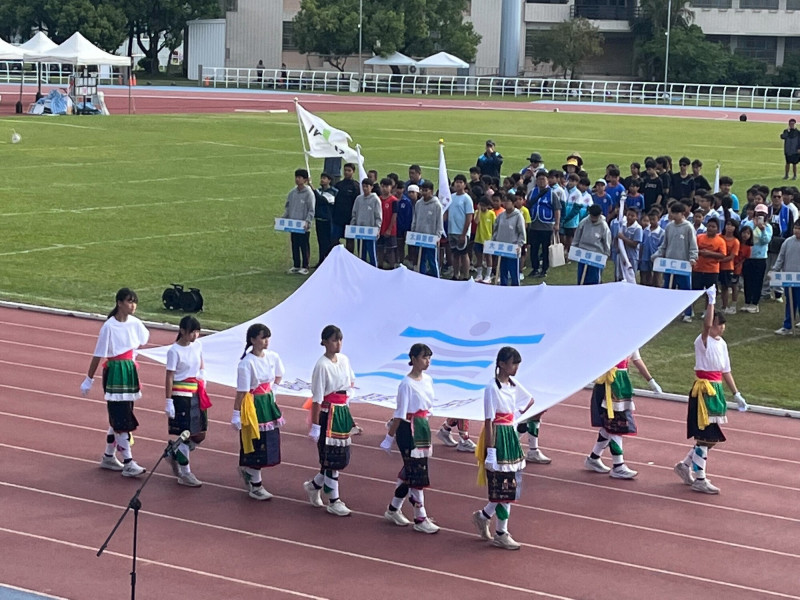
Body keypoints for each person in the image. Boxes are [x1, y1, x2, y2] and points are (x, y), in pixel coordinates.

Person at [673, 287, 747, 494]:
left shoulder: (722, 344)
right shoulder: (702, 341)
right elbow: (705, 325)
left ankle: (685, 465)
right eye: (718, 324)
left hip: (716, 391)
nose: (721, 328)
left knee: (709, 438)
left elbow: (726, 371)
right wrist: (711, 300)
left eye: (722, 324)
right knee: (706, 436)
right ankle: (700, 478)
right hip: (704, 391)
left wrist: (736, 394)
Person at [81, 288, 150, 478]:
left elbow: (142, 340)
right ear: (119, 303)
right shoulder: (109, 327)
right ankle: (128, 462)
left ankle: (109, 456)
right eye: (129, 301)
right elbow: (98, 354)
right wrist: (89, 379)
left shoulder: (136, 323)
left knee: (121, 414)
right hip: (116, 373)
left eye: (134, 302)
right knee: (121, 416)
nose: (133, 305)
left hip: (129, 371)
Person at [472, 347, 535, 551]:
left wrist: (514, 416)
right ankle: (501, 533)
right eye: (512, 363)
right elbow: (489, 420)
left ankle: (484, 516)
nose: (515, 368)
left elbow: (529, 399)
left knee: (509, 486)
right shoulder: (492, 388)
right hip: (499, 436)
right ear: (501, 364)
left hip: (509, 435)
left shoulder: (513, 385)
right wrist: (490, 452)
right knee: (503, 486)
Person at [380, 343, 440, 534]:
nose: (427, 361)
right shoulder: (406, 384)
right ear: (413, 359)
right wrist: (389, 437)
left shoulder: (428, 380)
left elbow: (429, 405)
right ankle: (420, 517)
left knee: (411, 471)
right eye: (424, 357)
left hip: (422, 427)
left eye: (429, 358)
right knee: (416, 473)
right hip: (408, 429)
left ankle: (393, 508)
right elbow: (400, 413)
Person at [304, 325, 356, 517]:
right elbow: (317, 398)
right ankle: (334, 500)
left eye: (340, 340)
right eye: (334, 340)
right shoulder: (322, 366)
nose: (338, 344)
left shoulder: (344, 360)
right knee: (331, 458)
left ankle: (314, 486)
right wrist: (316, 426)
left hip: (341, 412)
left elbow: (350, 383)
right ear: (325, 342)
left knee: (338, 457)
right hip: (328, 413)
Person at [585, 350, 661, 479]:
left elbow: (636, 359)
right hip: (609, 385)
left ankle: (594, 458)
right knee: (616, 426)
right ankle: (618, 465)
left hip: (621, 384)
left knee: (610, 426)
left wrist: (651, 381)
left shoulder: (631, 341)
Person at [230, 324, 285, 500]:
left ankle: (250, 474)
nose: (266, 341)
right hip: (254, 405)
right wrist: (236, 414)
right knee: (256, 441)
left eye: (268, 337)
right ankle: (255, 485)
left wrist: (273, 391)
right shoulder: (246, 364)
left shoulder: (273, 357)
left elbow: (279, 375)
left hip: (267, 403)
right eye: (263, 337)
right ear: (253, 340)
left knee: (268, 441)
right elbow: (242, 392)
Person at [164, 316, 209, 487]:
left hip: (196, 392)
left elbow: (201, 363)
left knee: (200, 433)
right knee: (186, 433)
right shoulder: (174, 351)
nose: (195, 335)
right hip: (181, 394)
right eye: (192, 332)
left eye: (197, 332)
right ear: (182, 331)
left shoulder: (197, 345)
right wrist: (168, 401)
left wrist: (202, 375)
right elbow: (169, 376)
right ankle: (185, 472)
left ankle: (174, 451)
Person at [652, 202, 698, 322]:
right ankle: (669, 311)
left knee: (685, 289)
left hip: (683, 265)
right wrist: (657, 255)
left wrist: (693, 258)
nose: (673, 215)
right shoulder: (669, 227)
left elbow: (693, 245)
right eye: (672, 212)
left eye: (676, 213)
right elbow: (664, 244)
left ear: (682, 214)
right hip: (669, 264)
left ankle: (688, 312)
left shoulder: (688, 227)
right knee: (668, 288)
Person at [526, 170, 560, 278]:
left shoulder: (552, 193)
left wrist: (557, 224)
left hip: (546, 226)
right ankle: (535, 268)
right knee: (534, 249)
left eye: (543, 179)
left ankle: (544, 269)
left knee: (545, 249)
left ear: (547, 180)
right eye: (539, 179)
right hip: (534, 225)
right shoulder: (532, 192)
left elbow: (557, 209)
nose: (541, 181)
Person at [282, 168, 315, 275]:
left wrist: (307, 221)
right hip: (293, 225)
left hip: (303, 225)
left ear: (305, 180)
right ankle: (296, 265)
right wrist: (283, 218)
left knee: (304, 246)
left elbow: (311, 209)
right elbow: (288, 208)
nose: (297, 179)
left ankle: (305, 266)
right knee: (295, 245)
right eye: (296, 177)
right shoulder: (292, 193)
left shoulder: (309, 193)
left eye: (300, 177)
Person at [741, 204, 772, 313]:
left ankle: (755, 303)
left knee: (757, 281)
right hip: (748, 256)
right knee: (747, 280)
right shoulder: (748, 224)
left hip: (760, 257)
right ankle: (747, 301)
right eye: (758, 213)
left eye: (762, 214)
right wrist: (754, 227)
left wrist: (762, 230)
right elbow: (745, 237)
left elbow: (766, 241)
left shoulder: (768, 227)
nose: (760, 216)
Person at [491, 192, 526, 286]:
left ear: (513, 203)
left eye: (508, 201)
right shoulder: (501, 215)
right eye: (504, 201)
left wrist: (519, 244)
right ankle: (503, 287)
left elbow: (522, 232)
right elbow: (495, 229)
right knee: (502, 270)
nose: (506, 203)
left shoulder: (518, 216)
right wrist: (493, 241)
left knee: (513, 271)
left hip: (512, 248)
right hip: (502, 247)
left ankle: (515, 288)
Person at [410, 181, 444, 277]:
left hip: (431, 238)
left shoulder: (436, 205)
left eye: (426, 190)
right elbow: (415, 219)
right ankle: (422, 277)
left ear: (431, 191)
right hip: (420, 237)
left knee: (432, 260)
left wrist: (438, 236)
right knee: (421, 259)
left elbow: (439, 222)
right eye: (422, 190)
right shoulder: (418, 204)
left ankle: (436, 278)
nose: (424, 193)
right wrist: (413, 231)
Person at [772, 221, 800, 334]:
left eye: (799, 228)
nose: (796, 231)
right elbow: (781, 257)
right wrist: (775, 270)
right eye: (795, 228)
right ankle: (787, 325)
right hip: (789, 278)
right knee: (790, 301)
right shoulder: (788, 242)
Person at [572, 204, 611, 285]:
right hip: (583, 253)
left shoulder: (604, 226)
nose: (593, 219)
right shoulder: (583, 222)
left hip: (596, 255)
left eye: (595, 217)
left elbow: (607, 242)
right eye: (592, 216)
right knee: (582, 278)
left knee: (594, 279)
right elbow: (577, 237)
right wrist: (574, 248)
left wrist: (606, 255)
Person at [448, 174, 475, 280]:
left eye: (460, 182)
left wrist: (464, 234)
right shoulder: (451, 197)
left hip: (462, 231)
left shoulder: (467, 199)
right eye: (456, 182)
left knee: (463, 254)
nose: (458, 184)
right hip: (452, 230)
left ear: (464, 184)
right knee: (455, 254)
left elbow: (469, 217)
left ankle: (466, 275)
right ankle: (455, 274)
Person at [351, 178, 382, 267]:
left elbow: (378, 216)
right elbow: (354, 213)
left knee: (372, 253)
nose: (365, 188)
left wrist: (377, 228)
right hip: (360, 230)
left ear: (371, 187)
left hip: (370, 231)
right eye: (363, 186)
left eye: (367, 186)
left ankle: (374, 269)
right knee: (361, 252)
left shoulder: (375, 199)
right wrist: (353, 225)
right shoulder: (358, 199)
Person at [331, 163, 360, 253]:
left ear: (353, 172)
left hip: (349, 219)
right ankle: (339, 255)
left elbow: (357, 203)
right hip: (338, 218)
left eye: (349, 170)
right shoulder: (338, 185)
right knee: (334, 240)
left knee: (350, 240)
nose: (346, 172)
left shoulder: (356, 186)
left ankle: (348, 258)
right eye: (345, 170)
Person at [611, 207, 644, 283]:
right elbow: (617, 238)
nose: (629, 217)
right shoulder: (622, 225)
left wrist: (623, 238)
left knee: (630, 277)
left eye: (632, 216)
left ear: (636, 217)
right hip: (621, 255)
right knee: (619, 276)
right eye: (628, 215)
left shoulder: (638, 228)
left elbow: (634, 244)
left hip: (632, 257)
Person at [313, 173, 337, 266]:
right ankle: (321, 260)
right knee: (320, 241)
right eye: (321, 178)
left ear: (329, 180)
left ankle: (329, 261)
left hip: (328, 220)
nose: (322, 180)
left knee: (328, 242)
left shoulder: (333, 191)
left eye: (324, 178)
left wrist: (312, 189)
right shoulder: (319, 191)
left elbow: (323, 200)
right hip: (319, 219)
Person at [719, 220, 741, 315]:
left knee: (725, 287)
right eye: (728, 224)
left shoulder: (735, 241)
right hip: (716, 266)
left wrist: (718, 260)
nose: (729, 227)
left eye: (732, 225)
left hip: (727, 267)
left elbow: (731, 257)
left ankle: (725, 306)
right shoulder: (719, 237)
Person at [474, 196, 496, 283]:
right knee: (479, 257)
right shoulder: (477, 212)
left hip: (488, 239)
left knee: (488, 257)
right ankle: (479, 274)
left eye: (484, 206)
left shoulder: (491, 214)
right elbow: (476, 221)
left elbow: (494, 227)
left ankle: (488, 275)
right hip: (478, 238)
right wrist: (479, 210)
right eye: (481, 205)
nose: (483, 207)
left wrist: (492, 238)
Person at [377, 178, 398, 269]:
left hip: (390, 230)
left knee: (390, 250)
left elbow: (394, 215)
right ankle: (380, 266)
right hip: (380, 229)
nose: (384, 188)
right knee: (380, 249)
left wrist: (389, 229)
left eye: (386, 186)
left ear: (391, 187)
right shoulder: (378, 199)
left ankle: (392, 267)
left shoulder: (393, 200)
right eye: (382, 186)